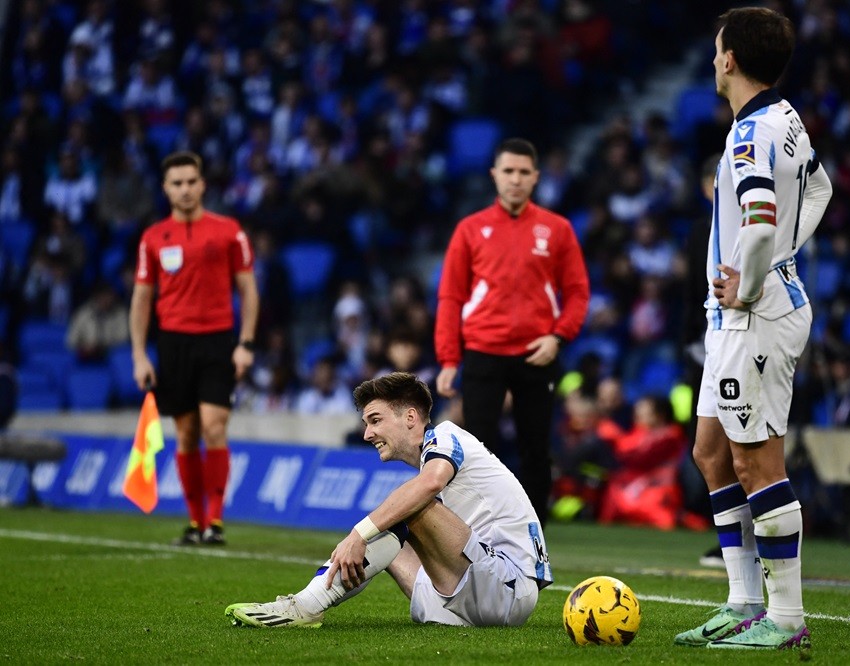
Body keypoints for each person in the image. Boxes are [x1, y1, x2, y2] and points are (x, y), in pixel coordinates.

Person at [673, 8, 832, 651]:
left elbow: (762, 224)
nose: (713, 61)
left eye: (716, 52)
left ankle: (786, 617)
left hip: (756, 318)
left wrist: (755, 277)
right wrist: (779, 257)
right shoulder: (784, 118)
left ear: (731, 59)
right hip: (736, 319)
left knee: (755, 461)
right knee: (710, 453)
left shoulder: (746, 140)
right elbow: (820, 189)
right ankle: (742, 602)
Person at [225, 372, 552, 628]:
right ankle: (309, 601)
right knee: (394, 536)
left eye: (375, 420)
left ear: (411, 417)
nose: (367, 434)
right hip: (476, 591)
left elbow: (430, 483)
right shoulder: (437, 454)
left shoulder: (447, 434)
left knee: (406, 508)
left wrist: (359, 533)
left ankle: (304, 607)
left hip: (508, 588)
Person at [434, 138, 590, 525]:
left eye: (523, 172)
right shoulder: (471, 229)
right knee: (477, 447)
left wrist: (558, 338)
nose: (515, 179)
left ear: (536, 177)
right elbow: (450, 296)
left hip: (536, 352)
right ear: (494, 175)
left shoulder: (557, 229)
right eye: (508, 171)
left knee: (535, 449)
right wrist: (449, 359)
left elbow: (578, 292)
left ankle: (532, 537)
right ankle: (476, 529)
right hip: (483, 349)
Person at [129, 150, 259, 546]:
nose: (185, 189)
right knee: (185, 434)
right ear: (166, 189)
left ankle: (215, 521)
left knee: (214, 426)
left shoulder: (228, 231)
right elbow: (141, 299)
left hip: (218, 340)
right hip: (173, 344)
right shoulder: (153, 238)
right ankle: (196, 521)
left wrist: (246, 343)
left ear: (202, 185)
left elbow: (248, 290)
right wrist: (139, 354)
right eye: (177, 183)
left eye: (191, 181)